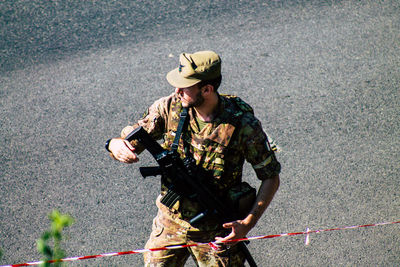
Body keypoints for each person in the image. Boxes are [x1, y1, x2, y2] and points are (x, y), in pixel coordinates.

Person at [105, 50, 281, 266]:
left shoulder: (242, 124)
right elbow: (128, 141)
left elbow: (271, 177)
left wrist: (247, 223)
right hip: (171, 222)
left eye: (184, 86)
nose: (176, 90)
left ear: (207, 89)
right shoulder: (169, 107)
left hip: (217, 229)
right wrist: (114, 145)